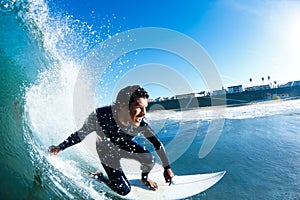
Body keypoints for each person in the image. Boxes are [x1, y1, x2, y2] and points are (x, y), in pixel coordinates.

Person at [49, 85, 174, 195]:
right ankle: (101, 178)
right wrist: (60, 147)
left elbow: (157, 144)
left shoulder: (142, 124)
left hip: (124, 145)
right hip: (106, 150)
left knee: (149, 158)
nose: (143, 113)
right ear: (122, 106)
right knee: (124, 190)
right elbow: (81, 134)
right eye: (139, 107)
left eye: (145, 108)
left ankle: (144, 178)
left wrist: (167, 168)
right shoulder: (100, 116)